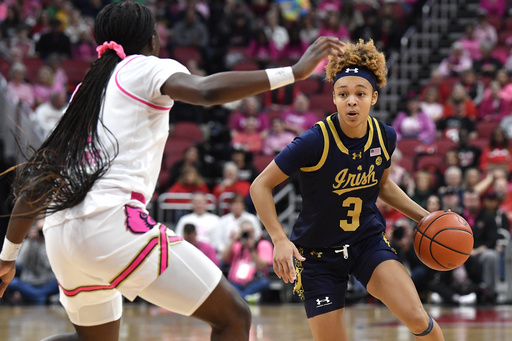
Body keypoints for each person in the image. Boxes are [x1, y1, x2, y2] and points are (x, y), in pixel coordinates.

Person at [0, 2, 345, 340]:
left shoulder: (83, 94)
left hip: (61, 234)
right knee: (234, 318)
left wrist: (7, 257)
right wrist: (294, 72)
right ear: (152, 41)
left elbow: (37, 185)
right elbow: (206, 91)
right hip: (110, 223)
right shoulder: (143, 67)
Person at [250, 39, 446, 340]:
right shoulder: (314, 141)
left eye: (359, 94)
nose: (351, 100)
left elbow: (383, 186)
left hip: (366, 243)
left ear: (373, 97)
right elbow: (260, 186)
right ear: (334, 98)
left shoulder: (385, 137)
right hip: (318, 257)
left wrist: (425, 218)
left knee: (418, 318)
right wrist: (278, 239)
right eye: (343, 94)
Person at [4, 218, 59, 305]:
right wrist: (29, 240)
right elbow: (20, 262)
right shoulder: (30, 242)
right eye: (39, 230)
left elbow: (49, 265)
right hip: (29, 283)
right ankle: (40, 296)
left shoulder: (51, 244)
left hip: (46, 283)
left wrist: (44, 243)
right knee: (12, 282)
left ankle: (36, 296)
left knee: (59, 282)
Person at [221, 220, 273, 302]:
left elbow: (262, 266)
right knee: (226, 285)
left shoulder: (263, 244)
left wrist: (251, 248)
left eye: (250, 231)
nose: (247, 234)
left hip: (254, 282)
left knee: (264, 282)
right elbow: (223, 258)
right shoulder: (237, 245)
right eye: (244, 232)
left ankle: (239, 298)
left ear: (254, 232)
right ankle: (245, 298)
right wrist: (233, 240)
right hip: (235, 283)